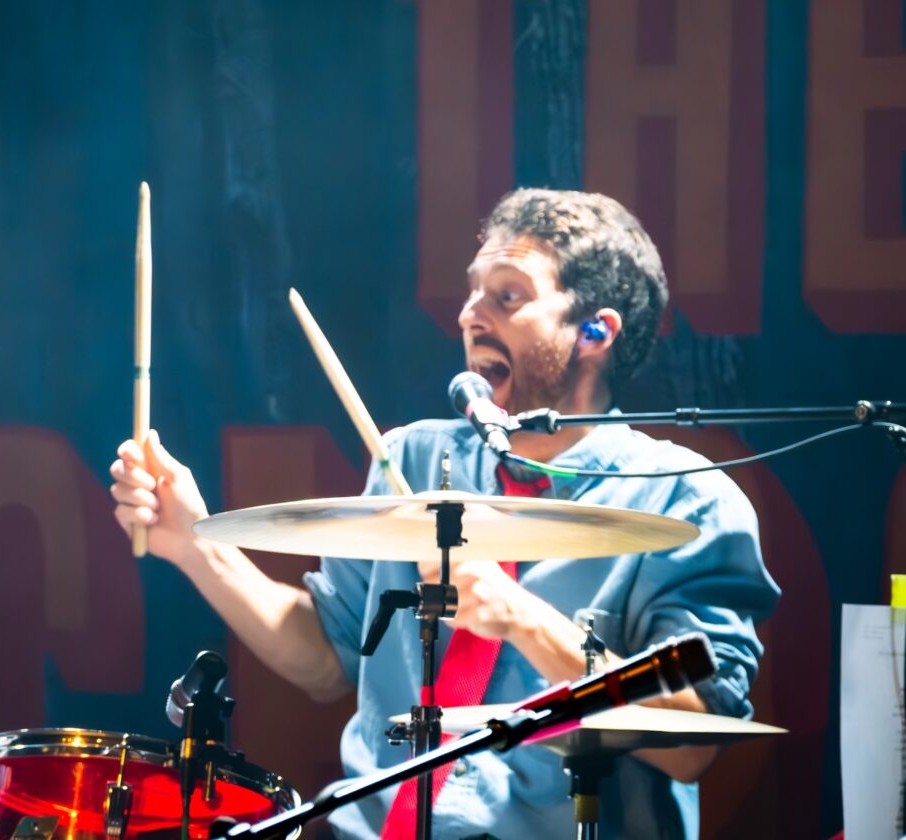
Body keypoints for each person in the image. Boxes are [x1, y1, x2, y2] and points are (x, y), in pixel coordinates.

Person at [110, 189, 780, 839]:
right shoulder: (412, 458)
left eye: (507, 296)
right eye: (472, 292)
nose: (469, 314)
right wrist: (195, 544)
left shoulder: (686, 499)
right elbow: (325, 661)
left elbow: (692, 744)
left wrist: (522, 621)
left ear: (594, 331)